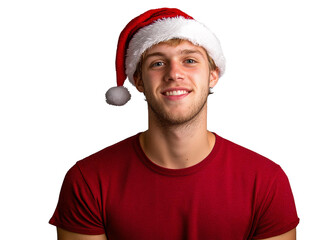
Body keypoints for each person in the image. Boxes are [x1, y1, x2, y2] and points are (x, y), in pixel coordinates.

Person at [49, 8, 299, 240]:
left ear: (213, 75)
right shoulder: (88, 180)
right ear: (138, 81)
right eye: (157, 63)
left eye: (190, 60)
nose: (174, 73)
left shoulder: (266, 181)